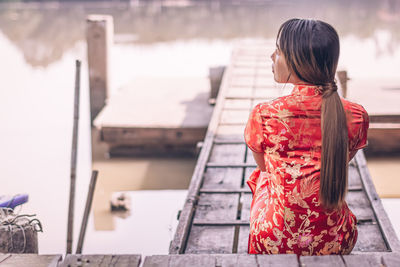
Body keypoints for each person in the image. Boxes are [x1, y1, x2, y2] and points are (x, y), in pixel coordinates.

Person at [244, 18, 369, 256]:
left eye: (278, 51)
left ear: (298, 62)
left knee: (261, 178)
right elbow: (341, 161)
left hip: (273, 242)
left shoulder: (264, 114)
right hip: (335, 239)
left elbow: (265, 168)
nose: (272, 56)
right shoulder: (356, 115)